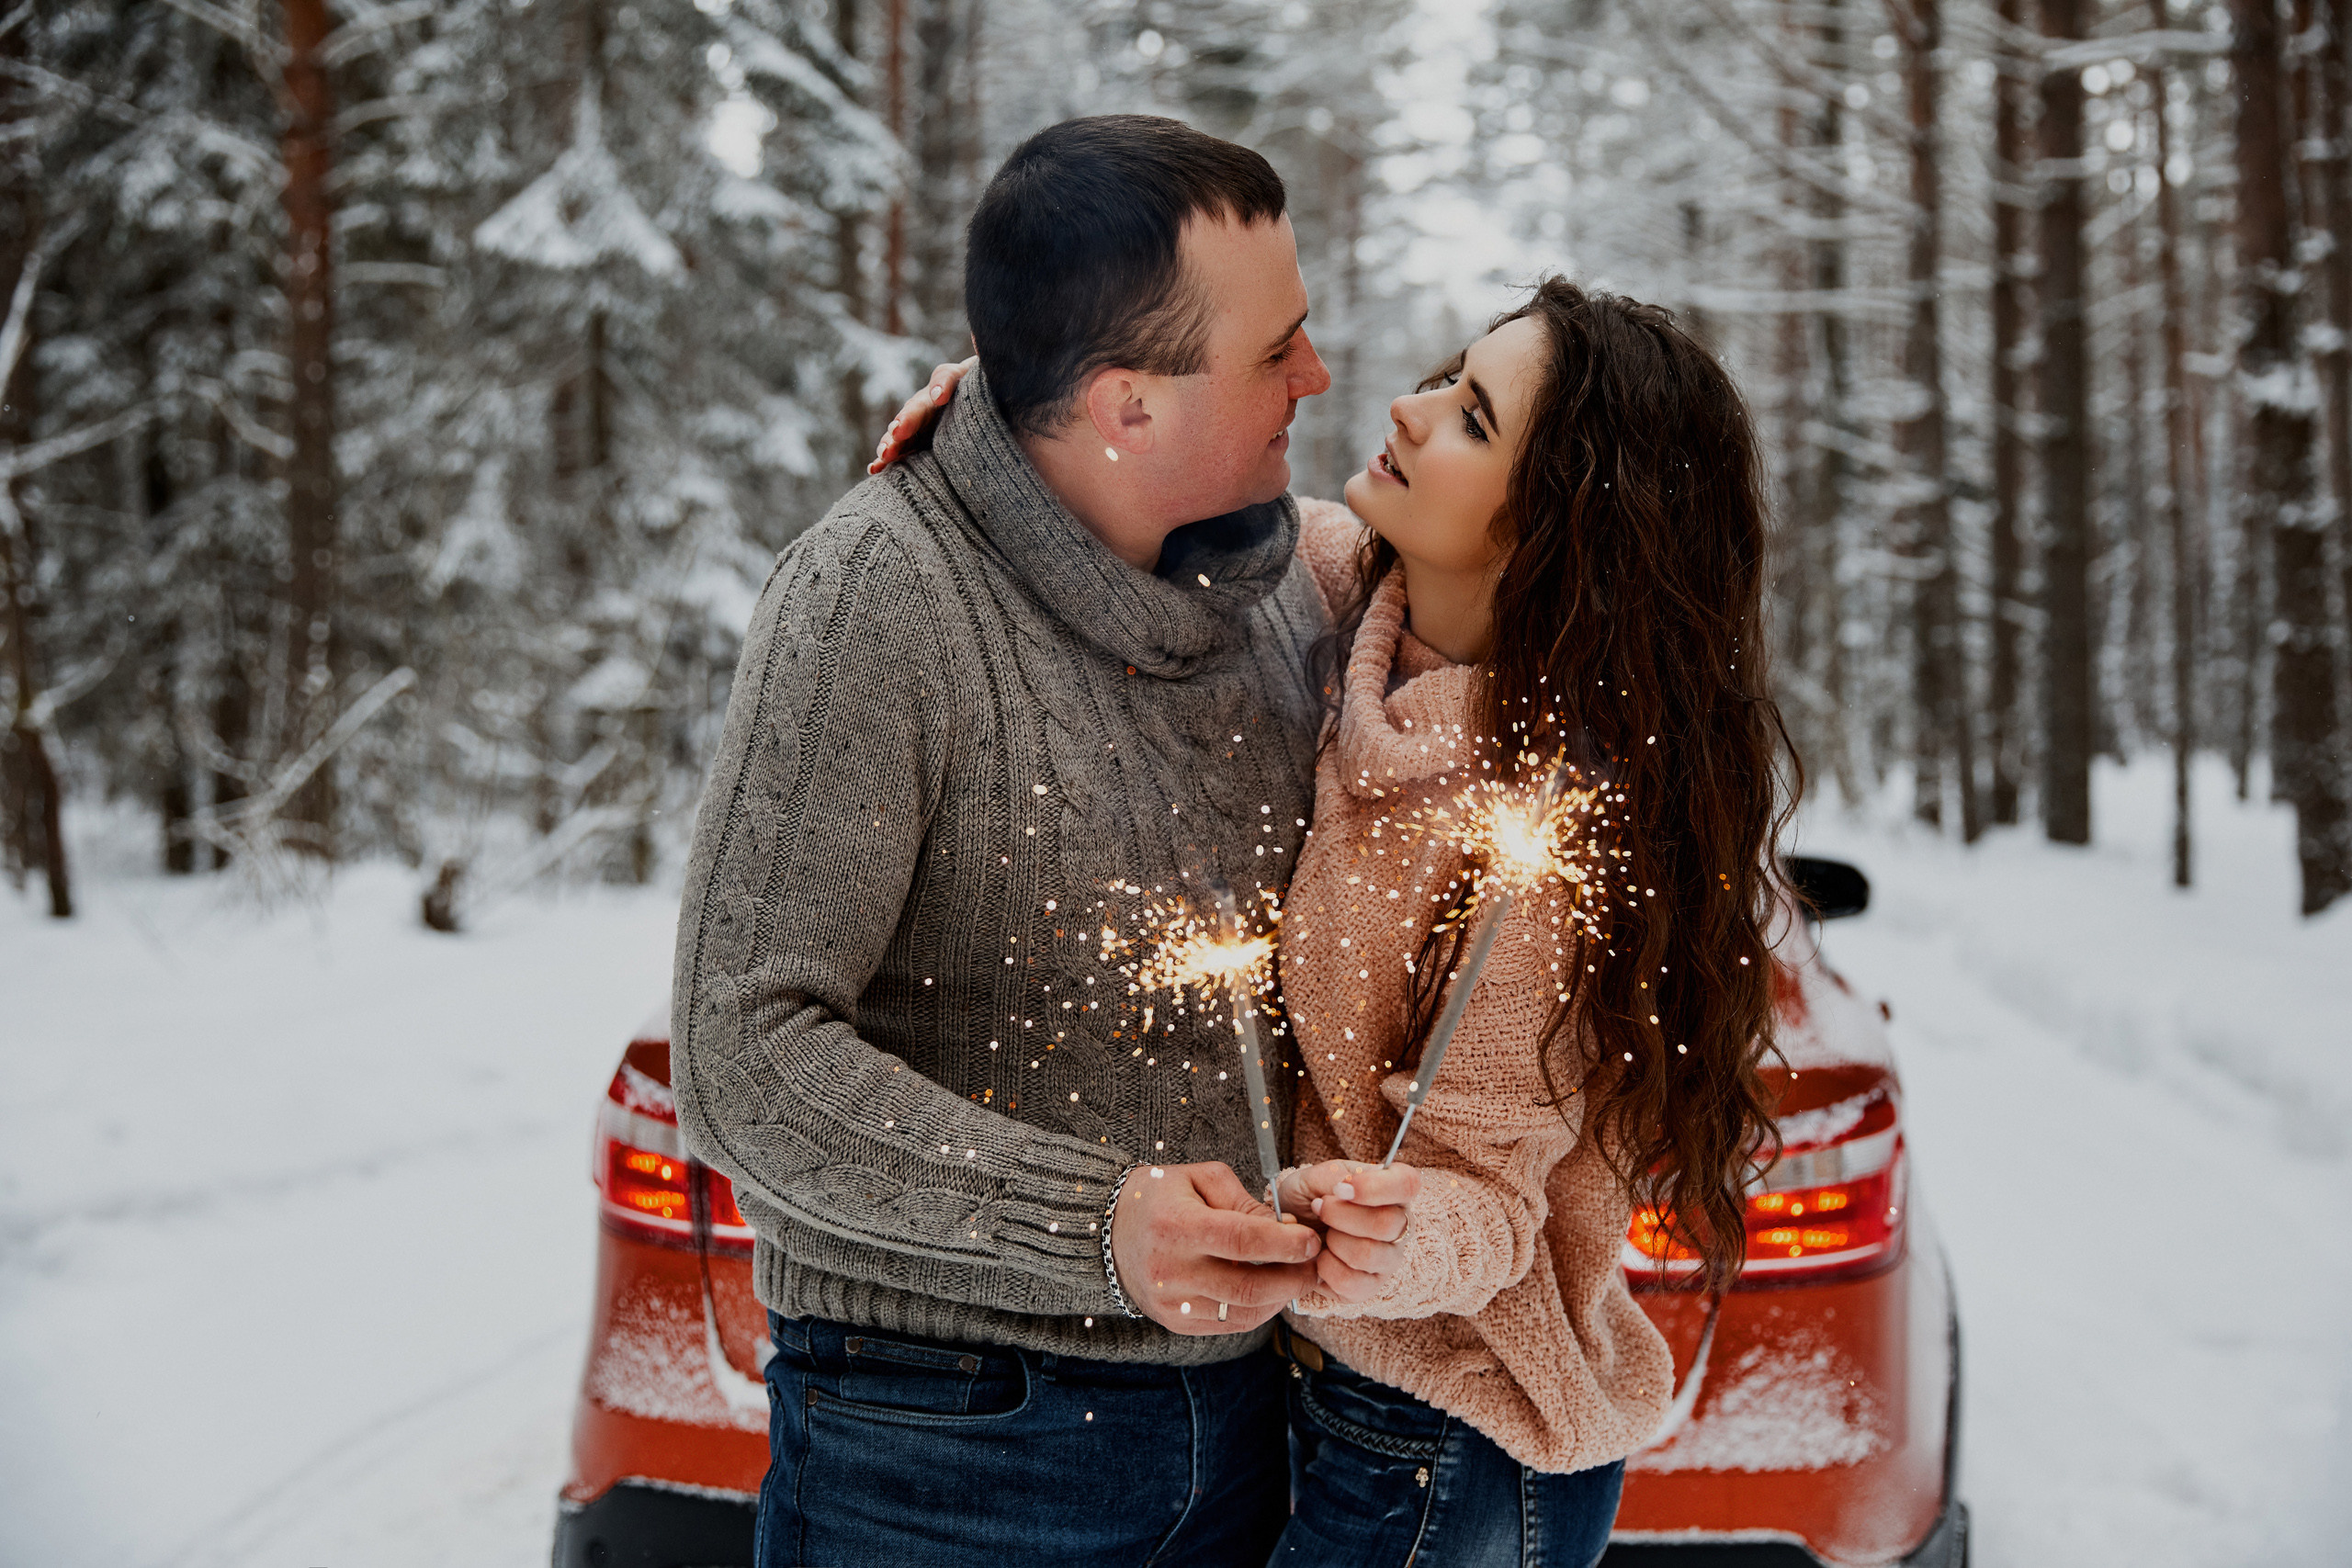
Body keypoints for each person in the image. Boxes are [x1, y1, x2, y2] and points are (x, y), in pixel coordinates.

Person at [879, 276, 1793, 1567]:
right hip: (1314, 1394)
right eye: (1446, 379)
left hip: (1451, 1436)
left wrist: (1397, 1233)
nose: (1413, 414)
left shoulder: (1554, 827)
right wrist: (1001, 421)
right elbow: (1166, 500)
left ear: (1557, 529)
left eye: (1472, 419)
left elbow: (1494, 1207)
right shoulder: (1344, 595)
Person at [669, 114, 1412, 1568]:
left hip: (1254, 1435)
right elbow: (740, 1057)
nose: (1317, 378)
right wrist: (1097, 1222)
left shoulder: (1288, 585)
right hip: (948, 1455)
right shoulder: (875, 602)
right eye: (1278, 351)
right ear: (1126, 405)